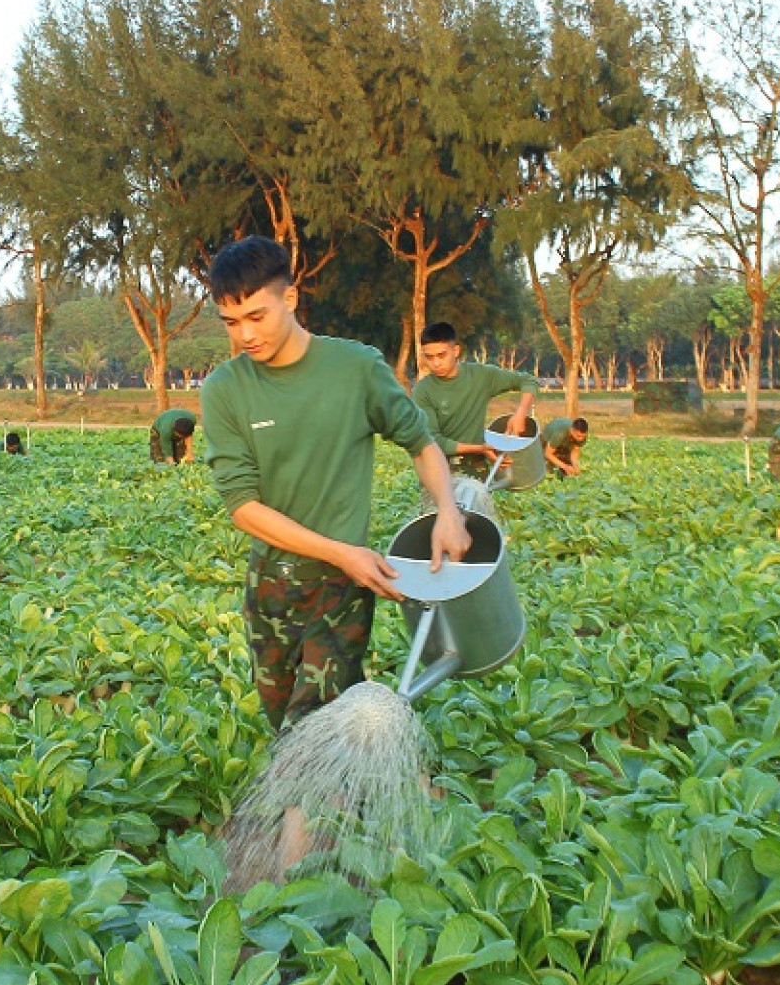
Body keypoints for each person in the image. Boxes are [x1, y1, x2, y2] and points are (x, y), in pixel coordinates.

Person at [200, 236, 470, 735]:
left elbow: (422, 443)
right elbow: (243, 505)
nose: (245, 335)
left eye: (257, 317)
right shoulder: (224, 389)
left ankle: (296, 815)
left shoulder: (356, 368)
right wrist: (339, 551)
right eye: (232, 323)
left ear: (291, 298)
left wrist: (448, 513)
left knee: (312, 724)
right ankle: (357, 782)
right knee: (283, 713)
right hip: (270, 584)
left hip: (341, 586)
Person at [411, 322, 536, 477]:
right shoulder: (422, 391)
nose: (436, 363)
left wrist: (521, 413)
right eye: (429, 357)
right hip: (438, 472)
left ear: (456, 350)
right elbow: (432, 440)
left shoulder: (480, 376)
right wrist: (481, 449)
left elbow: (528, 381)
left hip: (477, 470)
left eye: (441, 355)